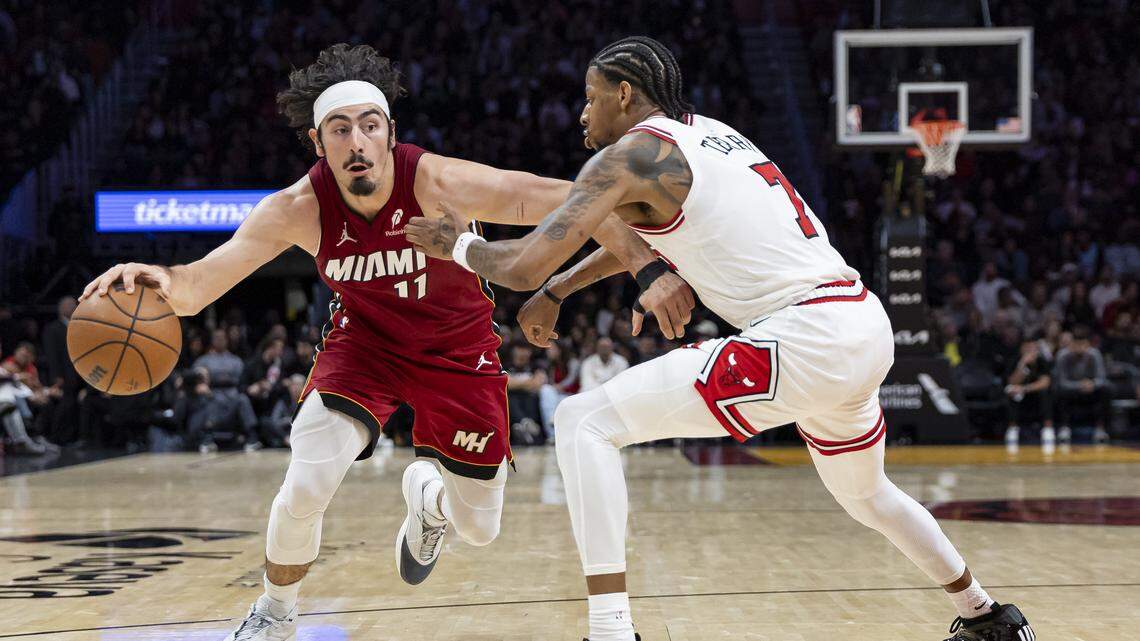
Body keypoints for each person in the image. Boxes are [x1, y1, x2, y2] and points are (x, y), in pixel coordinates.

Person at [407, 35, 1032, 641]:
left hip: (804, 335)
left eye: (591, 97)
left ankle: (609, 629)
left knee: (582, 422)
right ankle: (986, 616)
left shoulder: (628, 156)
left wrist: (457, 245)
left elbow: (518, 266)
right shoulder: (711, 136)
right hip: (860, 323)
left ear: (624, 95)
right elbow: (649, 239)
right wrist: (561, 292)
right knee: (866, 493)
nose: (582, 112)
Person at [80, 43, 692, 641]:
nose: (356, 141)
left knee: (479, 528)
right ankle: (275, 611)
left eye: (370, 126)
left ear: (390, 133)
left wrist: (645, 268)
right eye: (340, 130)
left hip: (460, 353)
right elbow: (194, 287)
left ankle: (428, 503)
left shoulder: (440, 181)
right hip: (364, 347)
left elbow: (577, 201)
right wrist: (158, 280)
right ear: (317, 144)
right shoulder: (297, 207)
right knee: (309, 476)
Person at [1053, 325, 1110, 444]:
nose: (1079, 348)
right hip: (1071, 391)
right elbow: (1062, 382)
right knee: (1058, 390)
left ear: (1088, 345)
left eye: (1082, 344)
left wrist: (1092, 384)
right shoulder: (1062, 355)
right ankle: (1065, 428)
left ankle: (1100, 429)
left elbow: (1101, 378)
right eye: (1076, 344)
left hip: (1091, 390)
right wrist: (1080, 385)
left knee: (1106, 389)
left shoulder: (1094, 354)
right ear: (1071, 344)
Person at [1002, 336, 1055, 446]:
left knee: (1045, 393)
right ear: (1022, 349)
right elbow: (1012, 382)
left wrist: (1024, 389)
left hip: (1035, 394)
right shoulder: (1015, 360)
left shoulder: (1042, 362)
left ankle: (1047, 428)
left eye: (1033, 348)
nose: (1031, 352)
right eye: (1027, 349)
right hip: (1020, 397)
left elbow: (1045, 383)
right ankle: (1013, 428)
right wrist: (1022, 365)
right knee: (1011, 393)